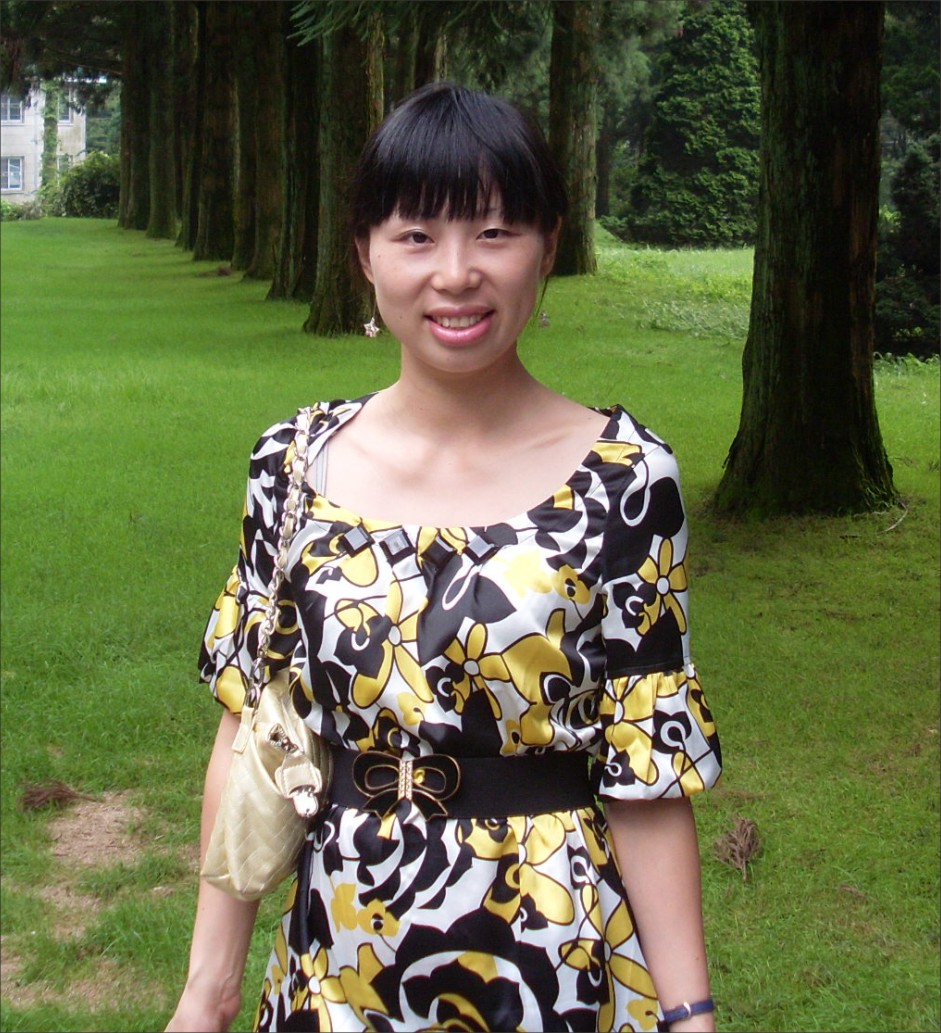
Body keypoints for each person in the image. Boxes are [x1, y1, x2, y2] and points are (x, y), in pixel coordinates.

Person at [167, 81, 722, 1033]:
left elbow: (647, 774)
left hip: (554, 961)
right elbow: (252, 731)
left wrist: (689, 1014)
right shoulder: (292, 465)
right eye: (416, 235)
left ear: (547, 246)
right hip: (337, 957)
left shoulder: (627, 479)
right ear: (364, 253)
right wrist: (206, 993)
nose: (456, 273)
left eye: (495, 232)